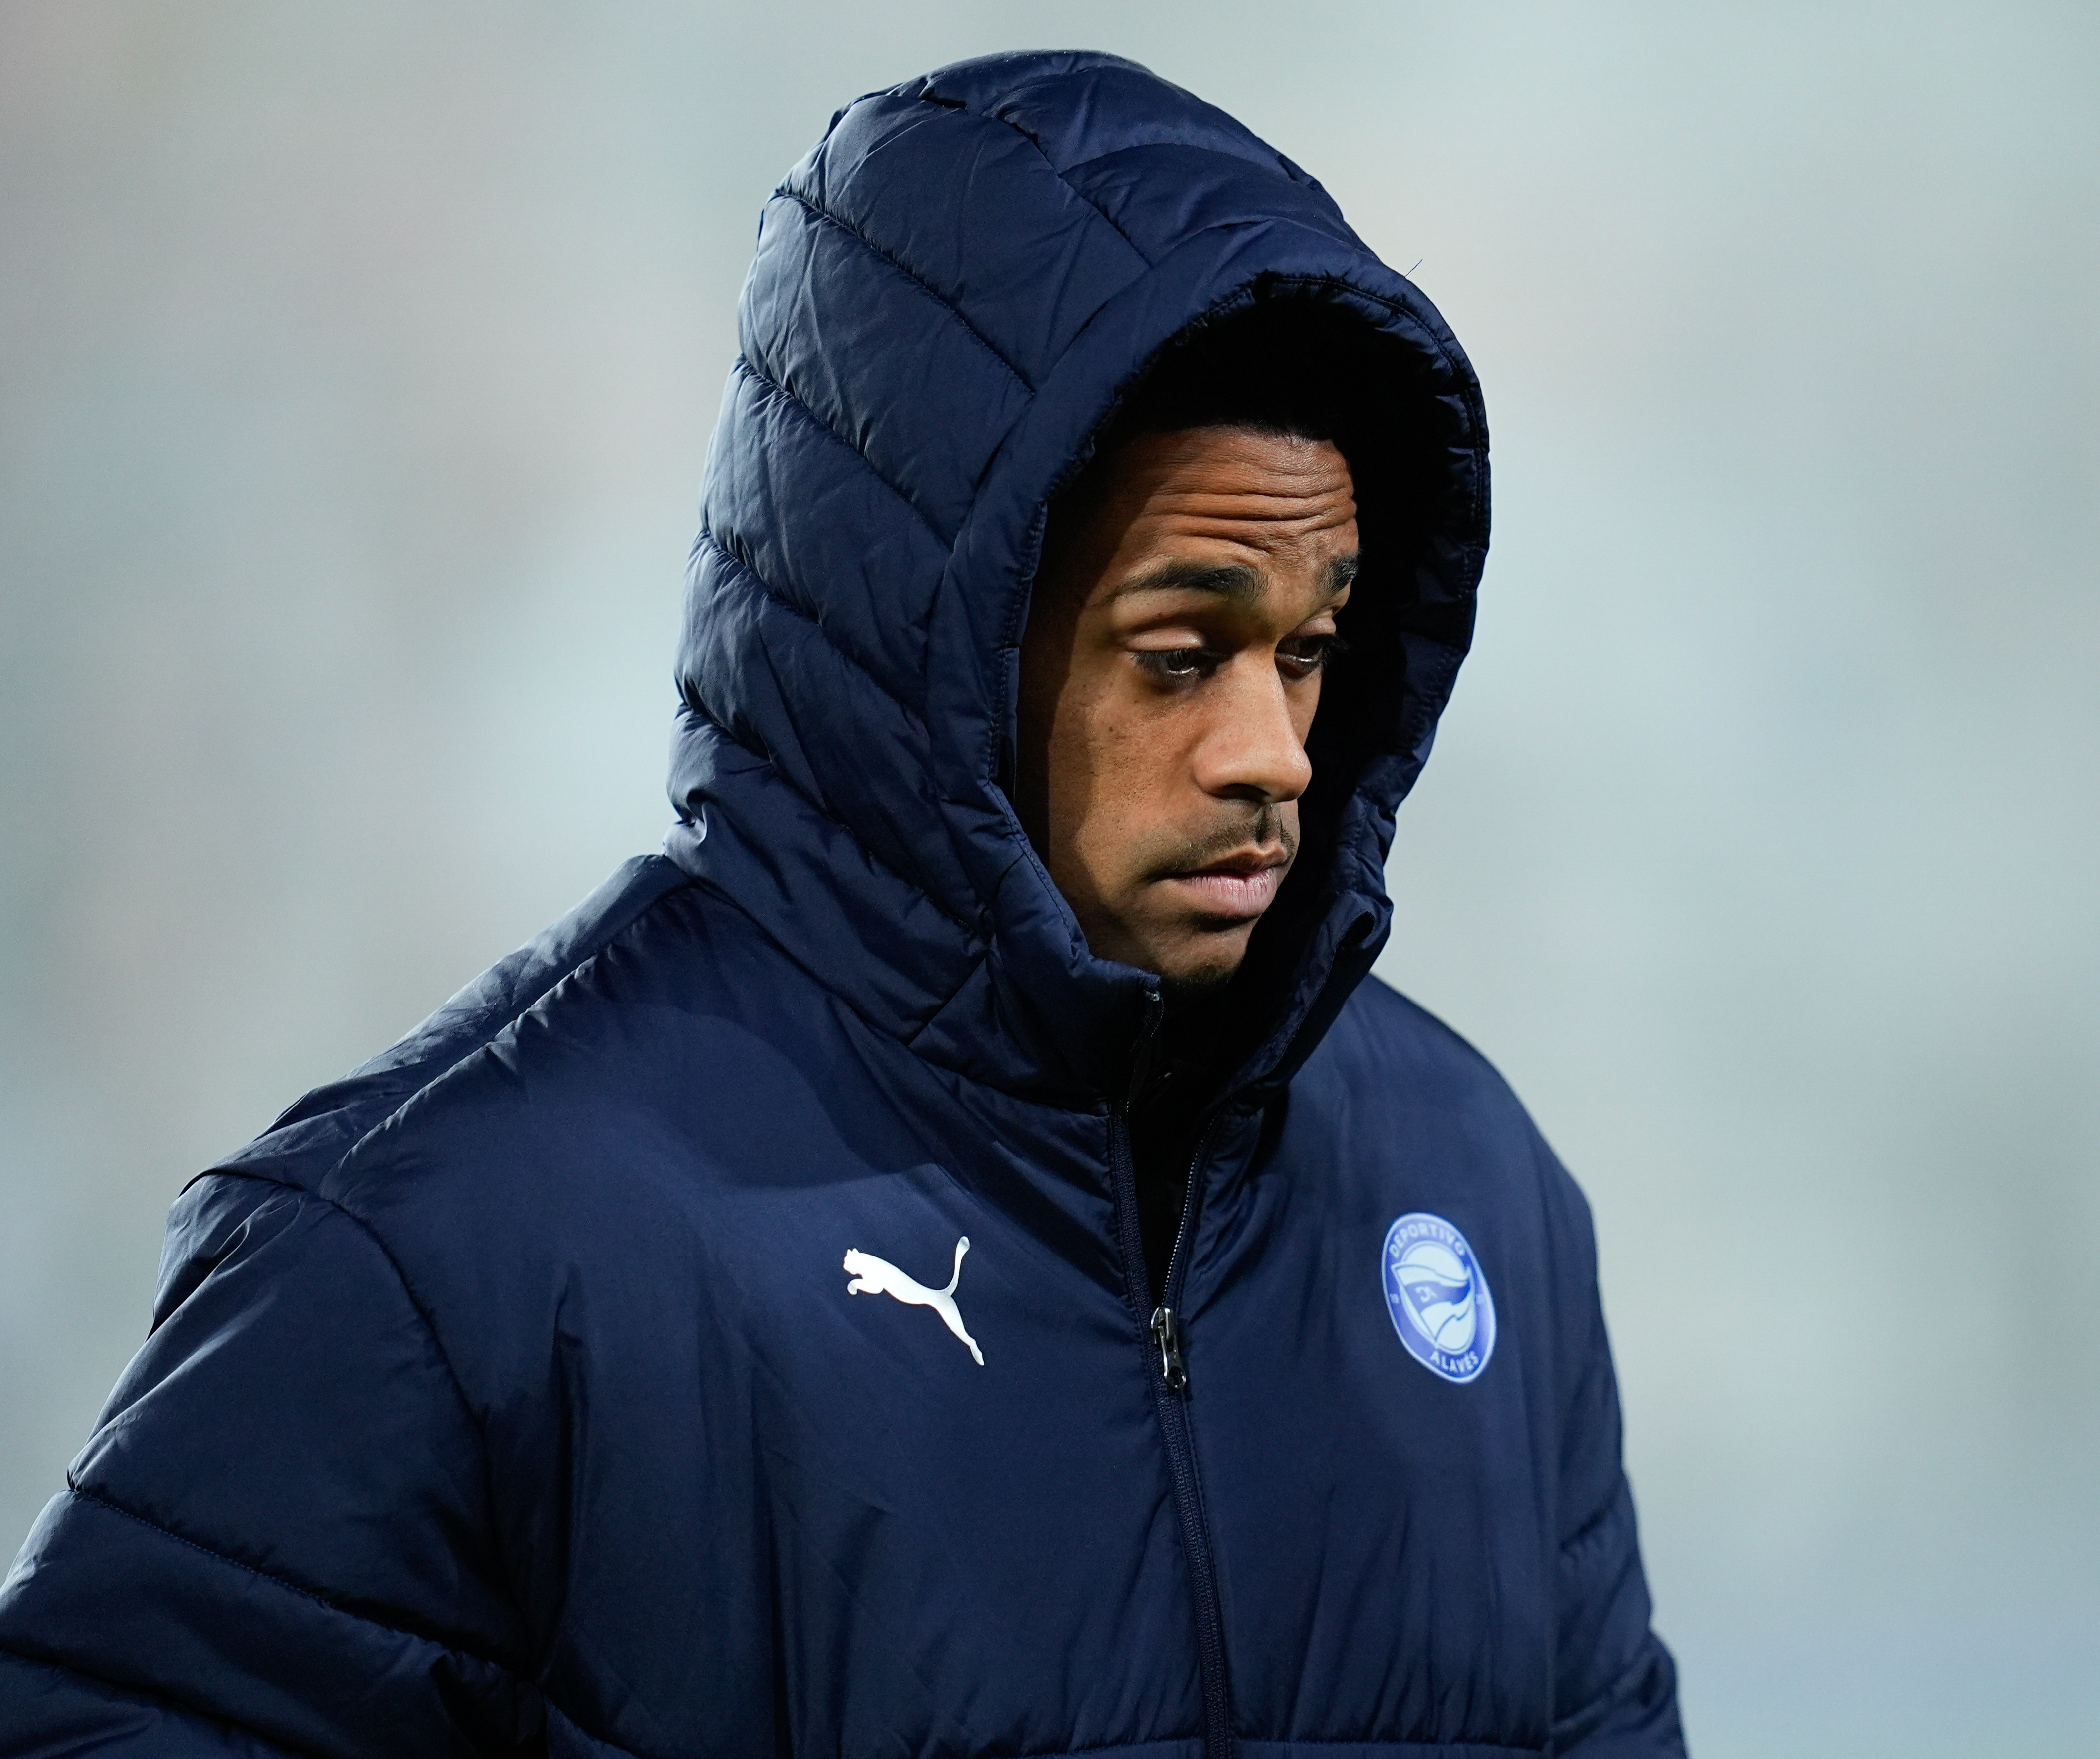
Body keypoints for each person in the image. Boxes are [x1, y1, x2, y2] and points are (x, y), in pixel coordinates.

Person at [0, 50, 1683, 1759]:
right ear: (940, 647)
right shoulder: (448, 1255)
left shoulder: (1477, 1196)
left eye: (1308, 654)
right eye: (1178, 656)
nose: (1272, 753)